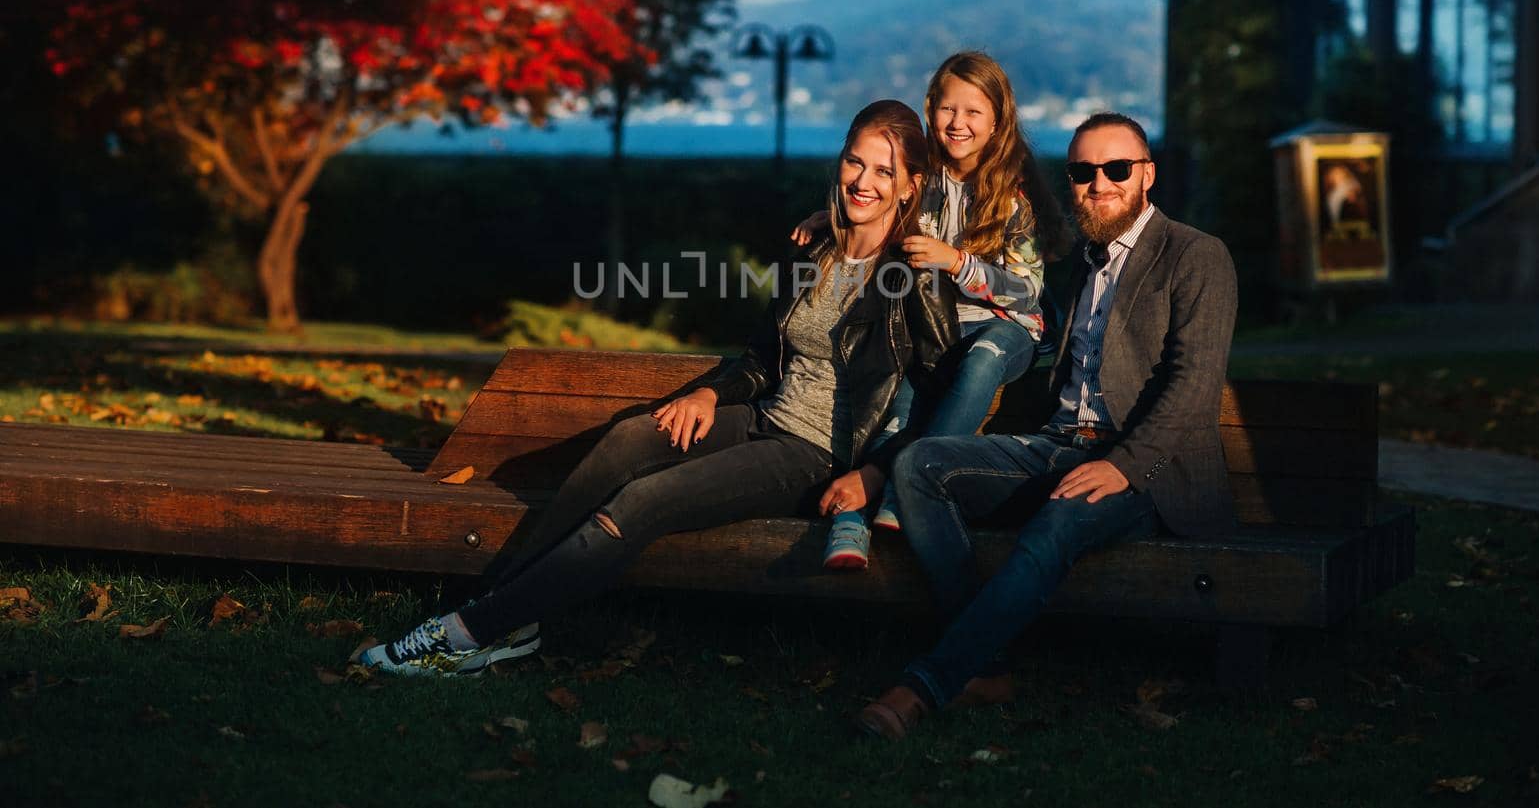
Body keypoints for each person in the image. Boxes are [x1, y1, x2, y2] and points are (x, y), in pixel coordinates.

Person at [353, 100, 958, 676]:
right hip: (765, 416)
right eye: (856, 161)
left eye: (886, 171)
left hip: (815, 456)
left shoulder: (912, 278)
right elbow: (762, 357)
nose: (864, 181)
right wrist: (708, 395)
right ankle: (498, 613)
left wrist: (876, 473)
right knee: (628, 439)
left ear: (910, 186)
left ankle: (467, 634)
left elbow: (940, 396)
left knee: (642, 501)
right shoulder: (815, 247)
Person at [855, 111, 1238, 738]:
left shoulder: (1196, 256)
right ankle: (987, 664)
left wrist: (1121, 467)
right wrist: (834, 222)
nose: (1100, 184)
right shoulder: (1086, 262)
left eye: (1117, 169)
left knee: (1055, 521)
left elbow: (1192, 389)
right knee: (920, 466)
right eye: (1084, 172)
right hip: (1059, 446)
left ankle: (923, 687)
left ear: (1148, 176)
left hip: (1147, 472)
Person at [794, 51, 1068, 570]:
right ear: (930, 108)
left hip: (1008, 329)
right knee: (898, 406)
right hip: (937, 328)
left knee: (982, 359)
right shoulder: (921, 180)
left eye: (973, 112)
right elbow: (873, 203)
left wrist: (958, 262)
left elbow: (1028, 290)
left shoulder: (1012, 194)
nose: (958, 124)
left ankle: (907, 489)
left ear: (997, 121)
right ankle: (851, 524)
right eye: (947, 109)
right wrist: (828, 219)